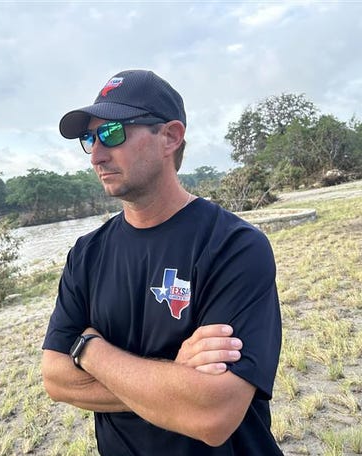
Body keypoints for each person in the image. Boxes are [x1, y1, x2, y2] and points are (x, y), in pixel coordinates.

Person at [41, 69, 283, 455]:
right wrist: (176, 381)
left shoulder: (234, 247)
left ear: (170, 136)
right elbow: (55, 379)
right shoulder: (86, 254)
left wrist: (89, 349)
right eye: (90, 138)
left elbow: (213, 414)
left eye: (113, 133)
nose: (97, 154)